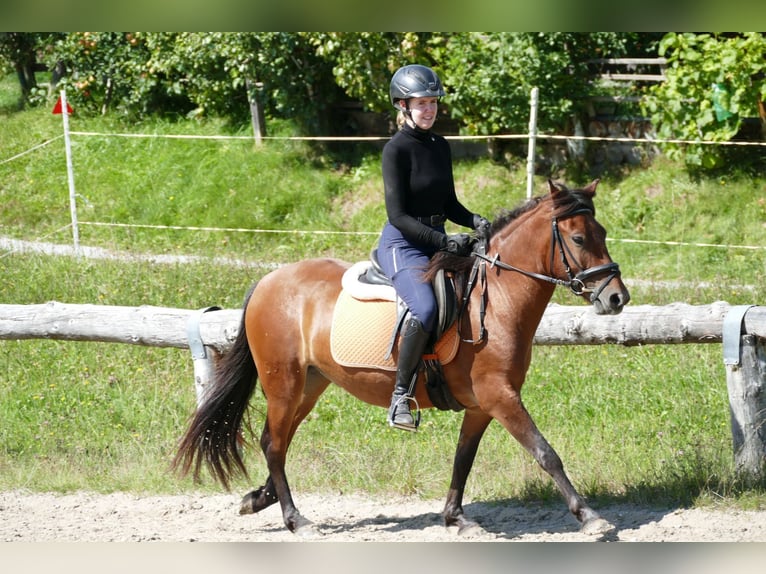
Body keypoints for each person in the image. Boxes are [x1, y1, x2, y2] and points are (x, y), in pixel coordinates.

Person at [377, 64, 490, 431]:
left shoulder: (441, 145)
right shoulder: (395, 150)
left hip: (438, 240)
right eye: (421, 104)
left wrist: (474, 221)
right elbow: (398, 216)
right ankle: (400, 397)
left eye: (433, 103)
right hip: (403, 244)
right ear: (402, 106)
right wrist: (444, 241)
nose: (429, 110)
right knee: (425, 308)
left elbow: (450, 203)